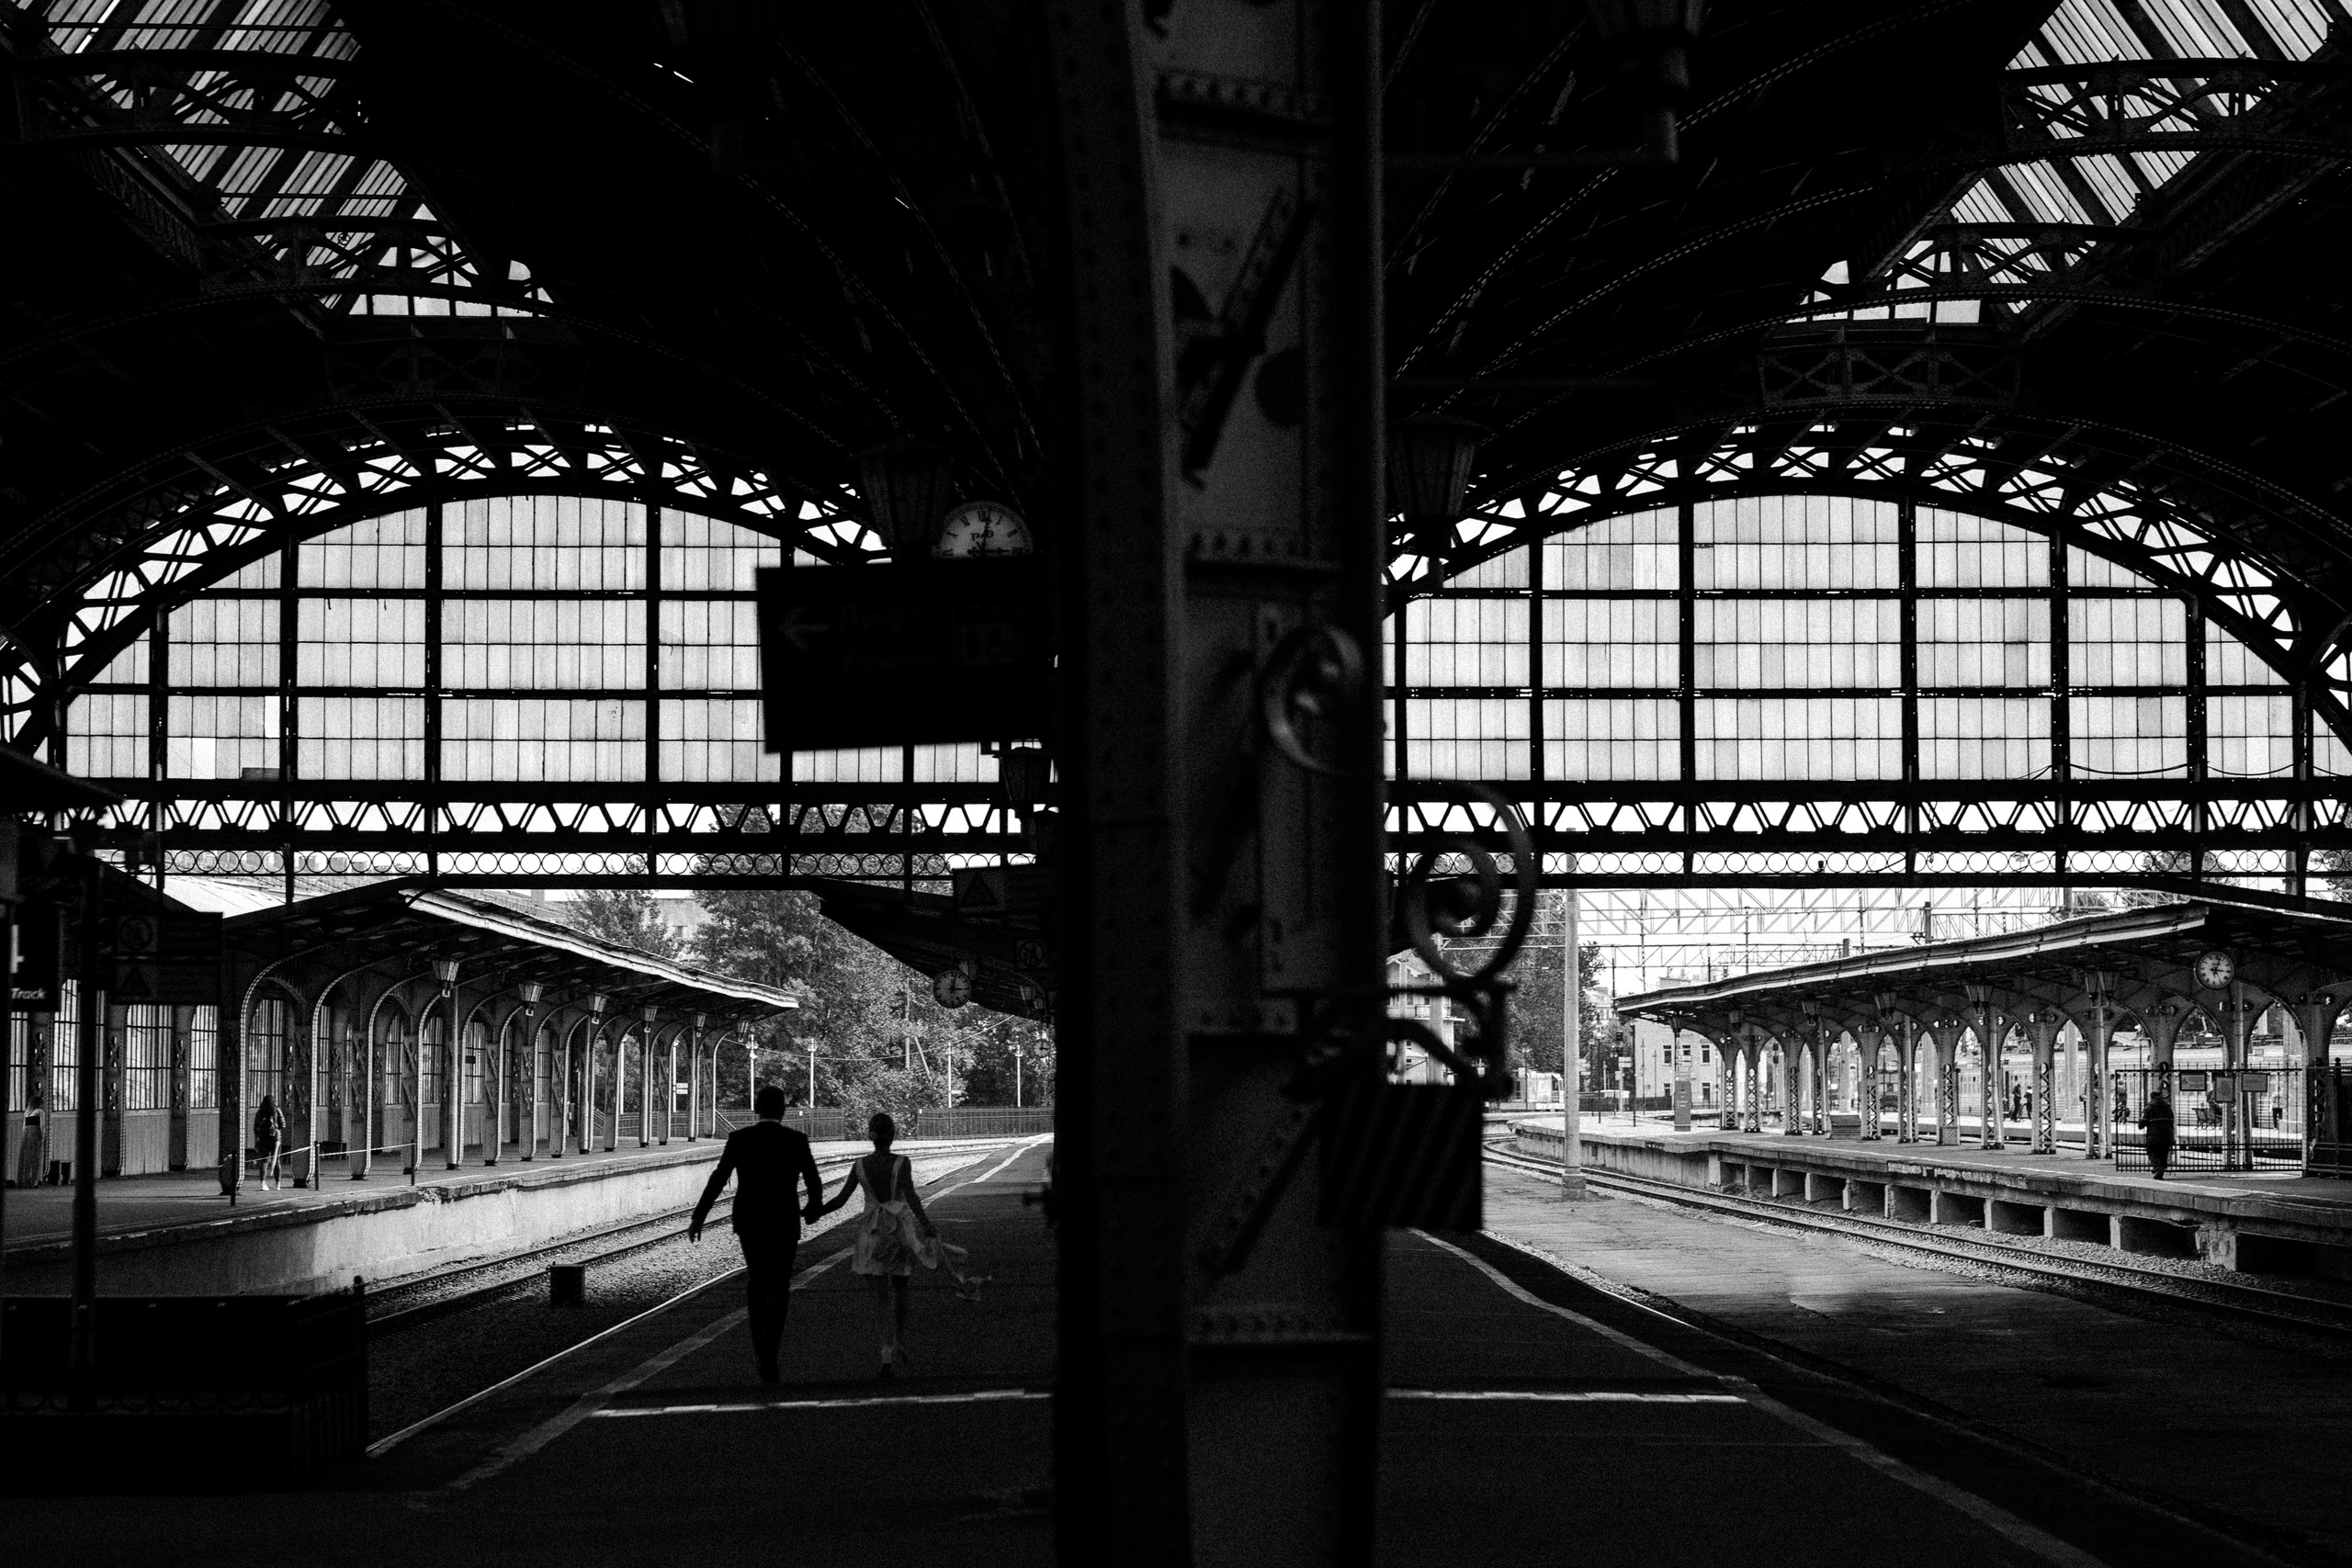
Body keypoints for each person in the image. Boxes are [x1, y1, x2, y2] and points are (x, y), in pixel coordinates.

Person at [819, 1111, 978, 1378]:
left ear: (870, 1136)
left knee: (880, 1296)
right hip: (898, 1230)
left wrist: (815, 1212)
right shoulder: (902, 1163)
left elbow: (841, 1200)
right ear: (893, 1135)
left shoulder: (859, 1166)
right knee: (901, 1287)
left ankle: (886, 1349)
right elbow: (913, 1197)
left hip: (872, 1232)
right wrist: (926, 1225)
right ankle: (901, 1339)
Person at [688, 1083, 826, 1383]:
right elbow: (814, 1180)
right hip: (784, 1221)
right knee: (779, 1286)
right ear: (783, 1111)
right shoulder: (796, 1140)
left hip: (749, 1220)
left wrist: (699, 1217)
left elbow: (718, 1179)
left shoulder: (739, 1139)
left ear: (756, 1110)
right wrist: (814, 1208)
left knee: (757, 1282)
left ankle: (760, 1350)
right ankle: (770, 1350)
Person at [2140, 1089, 2176, 1180]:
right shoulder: (2168, 1107)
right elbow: (2172, 1120)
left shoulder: (2149, 1108)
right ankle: (2162, 1168)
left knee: (2152, 1152)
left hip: (2154, 1135)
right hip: (2167, 1135)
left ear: (2152, 1098)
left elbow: (2142, 1124)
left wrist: (2141, 1123)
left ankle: (2158, 1168)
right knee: (2163, 1153)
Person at [254, 1094, 287, 1191]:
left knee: (264, 1161)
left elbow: (255, 1128)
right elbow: (283, 1125)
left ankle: (263, 1183)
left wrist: (256, 1141)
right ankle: (278, 1184)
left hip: (263, 1139)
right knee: (276, 1161)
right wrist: (277, 1129)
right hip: (275, 1139)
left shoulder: (260, 1113)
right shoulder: (277, 1111)